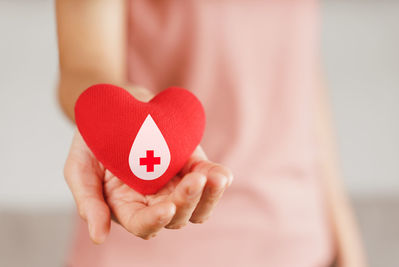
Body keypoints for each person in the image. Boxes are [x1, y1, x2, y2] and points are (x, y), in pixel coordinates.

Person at [56, 0, 367, 266]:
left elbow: (295, 75)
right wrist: (120, 113)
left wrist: (341, 223)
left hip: (298, 240)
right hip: (150, 245)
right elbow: (84, 68)